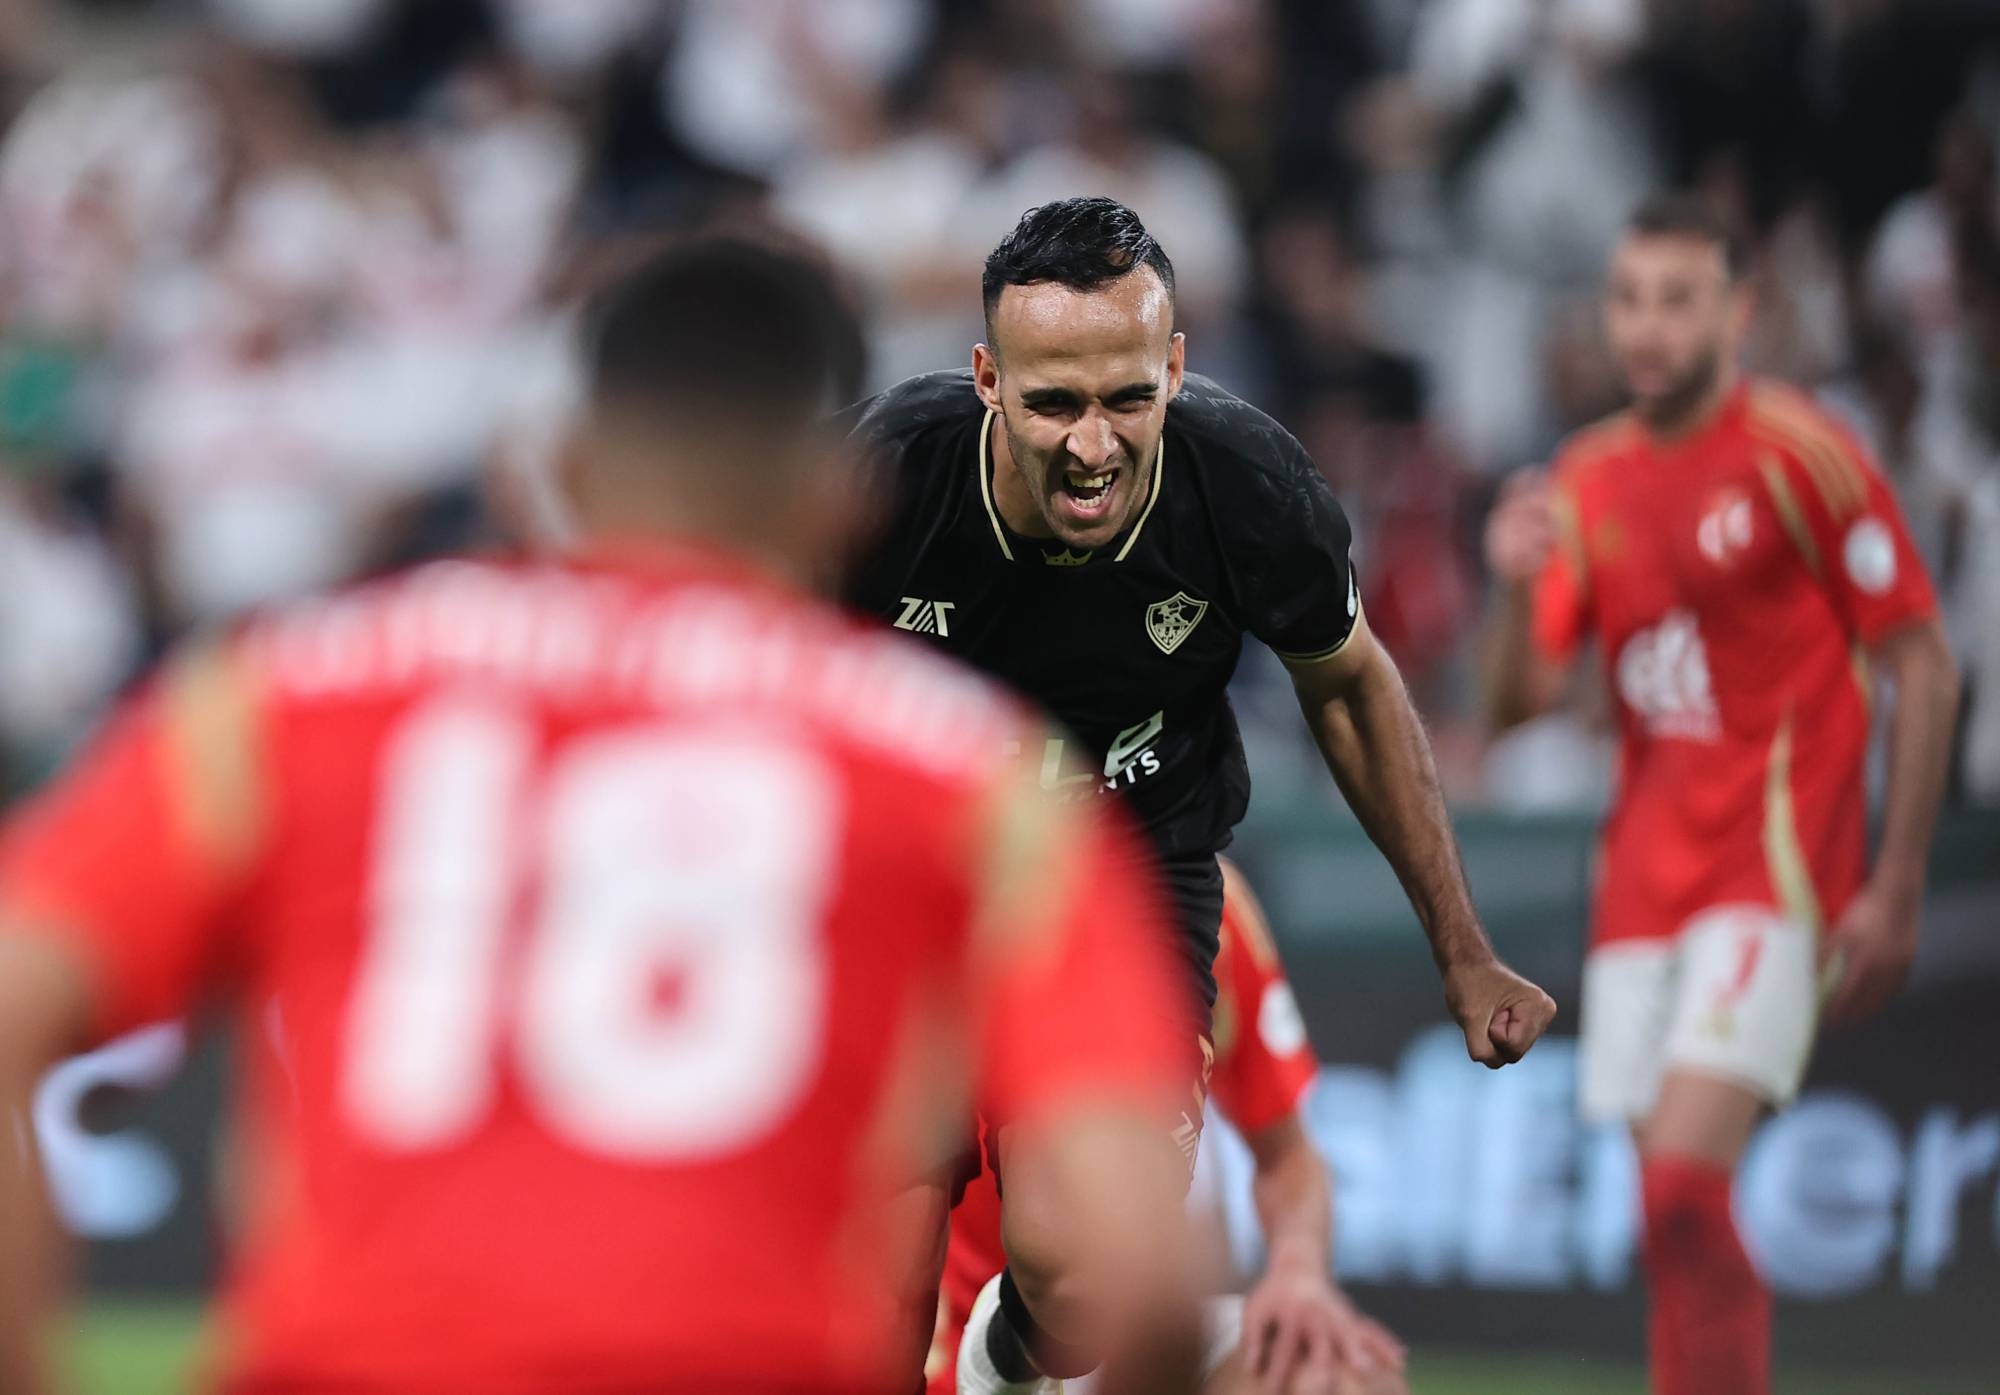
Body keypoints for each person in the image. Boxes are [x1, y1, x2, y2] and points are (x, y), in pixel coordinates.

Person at [0, 238, 1204, 1395]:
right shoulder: (966, 775)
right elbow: (1139, 1269)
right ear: (844, 502)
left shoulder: (283, 694)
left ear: (564, 469)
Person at [844, 196, 1556, 1395]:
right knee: (866, 1299)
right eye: (1052, 404)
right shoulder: (879, 481)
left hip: (1125, 886)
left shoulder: (1249, 490)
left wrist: (1462, 950)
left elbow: (1350, 690)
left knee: (1093, 1282)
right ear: (986, 380)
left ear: (1174, 369)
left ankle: (995, 1369)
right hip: (917, 891)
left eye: (1126, 398)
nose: (1092, 446)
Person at [1482, 194, 1960, 1395]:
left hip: (1769, 871)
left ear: (1737, 313)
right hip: (1639, 887)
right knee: (1668, 1224)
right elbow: (1516, 704)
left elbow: (1920, 660)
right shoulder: (1583, 478)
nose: (1646, 327)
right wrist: (1512, 583)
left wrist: (1896, 881)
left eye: (1676, 299)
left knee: (1683, 1188)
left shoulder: (1799, 453)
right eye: (1628, 299)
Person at [927, 858, 1407, 1395]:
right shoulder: (941, 876)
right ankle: (1004, 1346)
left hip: (1125, 1330)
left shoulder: (1211, 907)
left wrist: (1299, 1271)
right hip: (942, 1323)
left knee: (1345, 1378)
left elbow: (1288, 1157)